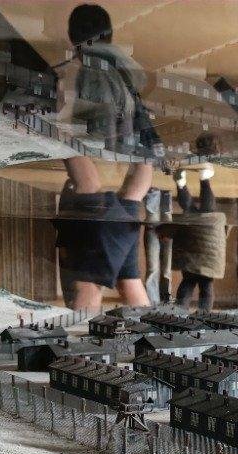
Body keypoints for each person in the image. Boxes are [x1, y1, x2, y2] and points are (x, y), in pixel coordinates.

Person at [52, 4, 164, 311]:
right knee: (128, 281)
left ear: (73, 35)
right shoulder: (127, 71)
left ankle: (80, 345)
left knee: (91, 282)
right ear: (110, 33)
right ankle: (153, 338)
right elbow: (143, 145)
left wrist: (57, 126)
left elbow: (83, 140)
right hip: (128, 200)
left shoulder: (85, 70)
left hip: (103, 200)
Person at [158, 134, 227, 311]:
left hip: (191, 247)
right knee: (206, 286)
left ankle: (182, 184)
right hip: (207, 250)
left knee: (188, 282)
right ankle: (198, 180)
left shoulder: (189, 155)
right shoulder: (212, 158)